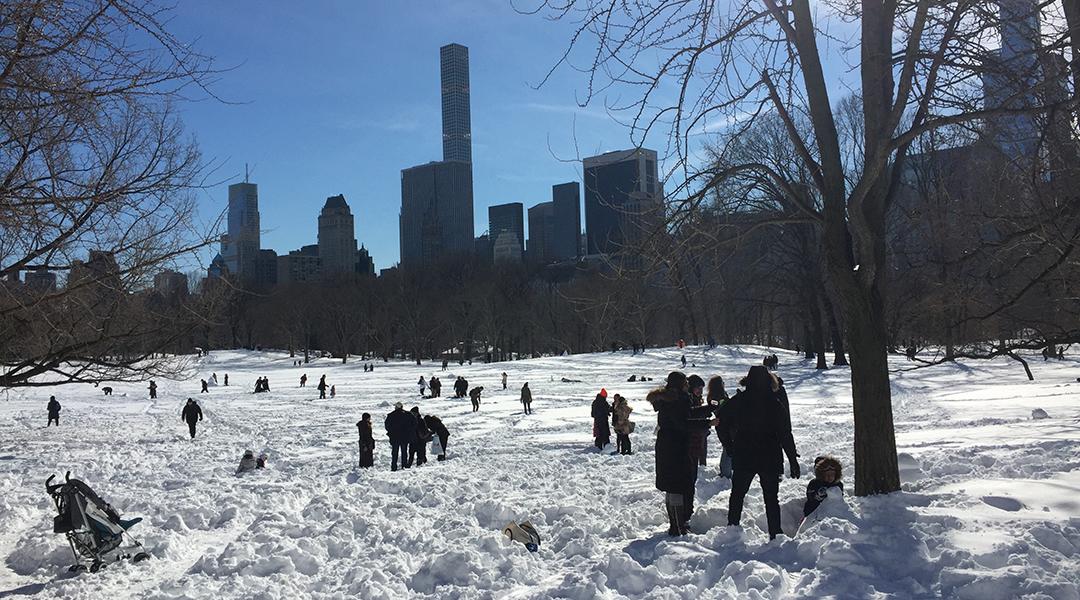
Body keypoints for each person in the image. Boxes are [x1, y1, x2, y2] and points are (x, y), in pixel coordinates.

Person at [716, 365, 799, 540]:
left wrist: (728, 445)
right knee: (771, 498)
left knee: (738, 494)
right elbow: (785, 433)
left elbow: (720, 420)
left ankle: (732, 528)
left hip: (744, 452)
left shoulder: (739, 400)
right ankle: (775, 533)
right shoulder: (775, 403)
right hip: (769, 454)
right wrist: (792, 458)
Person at [647, 371, 717, 536]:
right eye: (685, 382)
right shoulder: (679, 400)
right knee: (678, 486)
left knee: (672, 487)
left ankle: (676, 524)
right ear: (680, 384)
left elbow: (687, 415)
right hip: (676, 446)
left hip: (666, 445)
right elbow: (684, 423)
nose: (688, 384)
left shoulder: (669, 399)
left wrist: (708, 409)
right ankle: (677, 527)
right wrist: (708, 423)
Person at [707, 376, 733, 478]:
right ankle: (726, 473)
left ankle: (725, 471)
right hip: (724, 424)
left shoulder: (715, 396)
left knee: (727, 447)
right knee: (728, 447)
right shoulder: (717, 397)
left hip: (722, 424)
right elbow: (722, 407)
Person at [384, 402, 415, 471]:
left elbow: (387, 426)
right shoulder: (408, 415)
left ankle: (394, 466)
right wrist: (409, 431)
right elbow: (414, 423)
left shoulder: (391, 415)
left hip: (395, 437)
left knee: (394, 453)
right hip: (405, 437)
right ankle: (404, 465)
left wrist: (391, 432)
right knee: (404, 452)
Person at [687, 375, 708, 466]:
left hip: (701, 431)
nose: (700, 391)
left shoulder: (697, 398)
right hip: (693, 433)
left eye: (702, 388)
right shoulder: (688, 399)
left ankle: (702, 467)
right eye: (698, 388)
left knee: (702, 451)